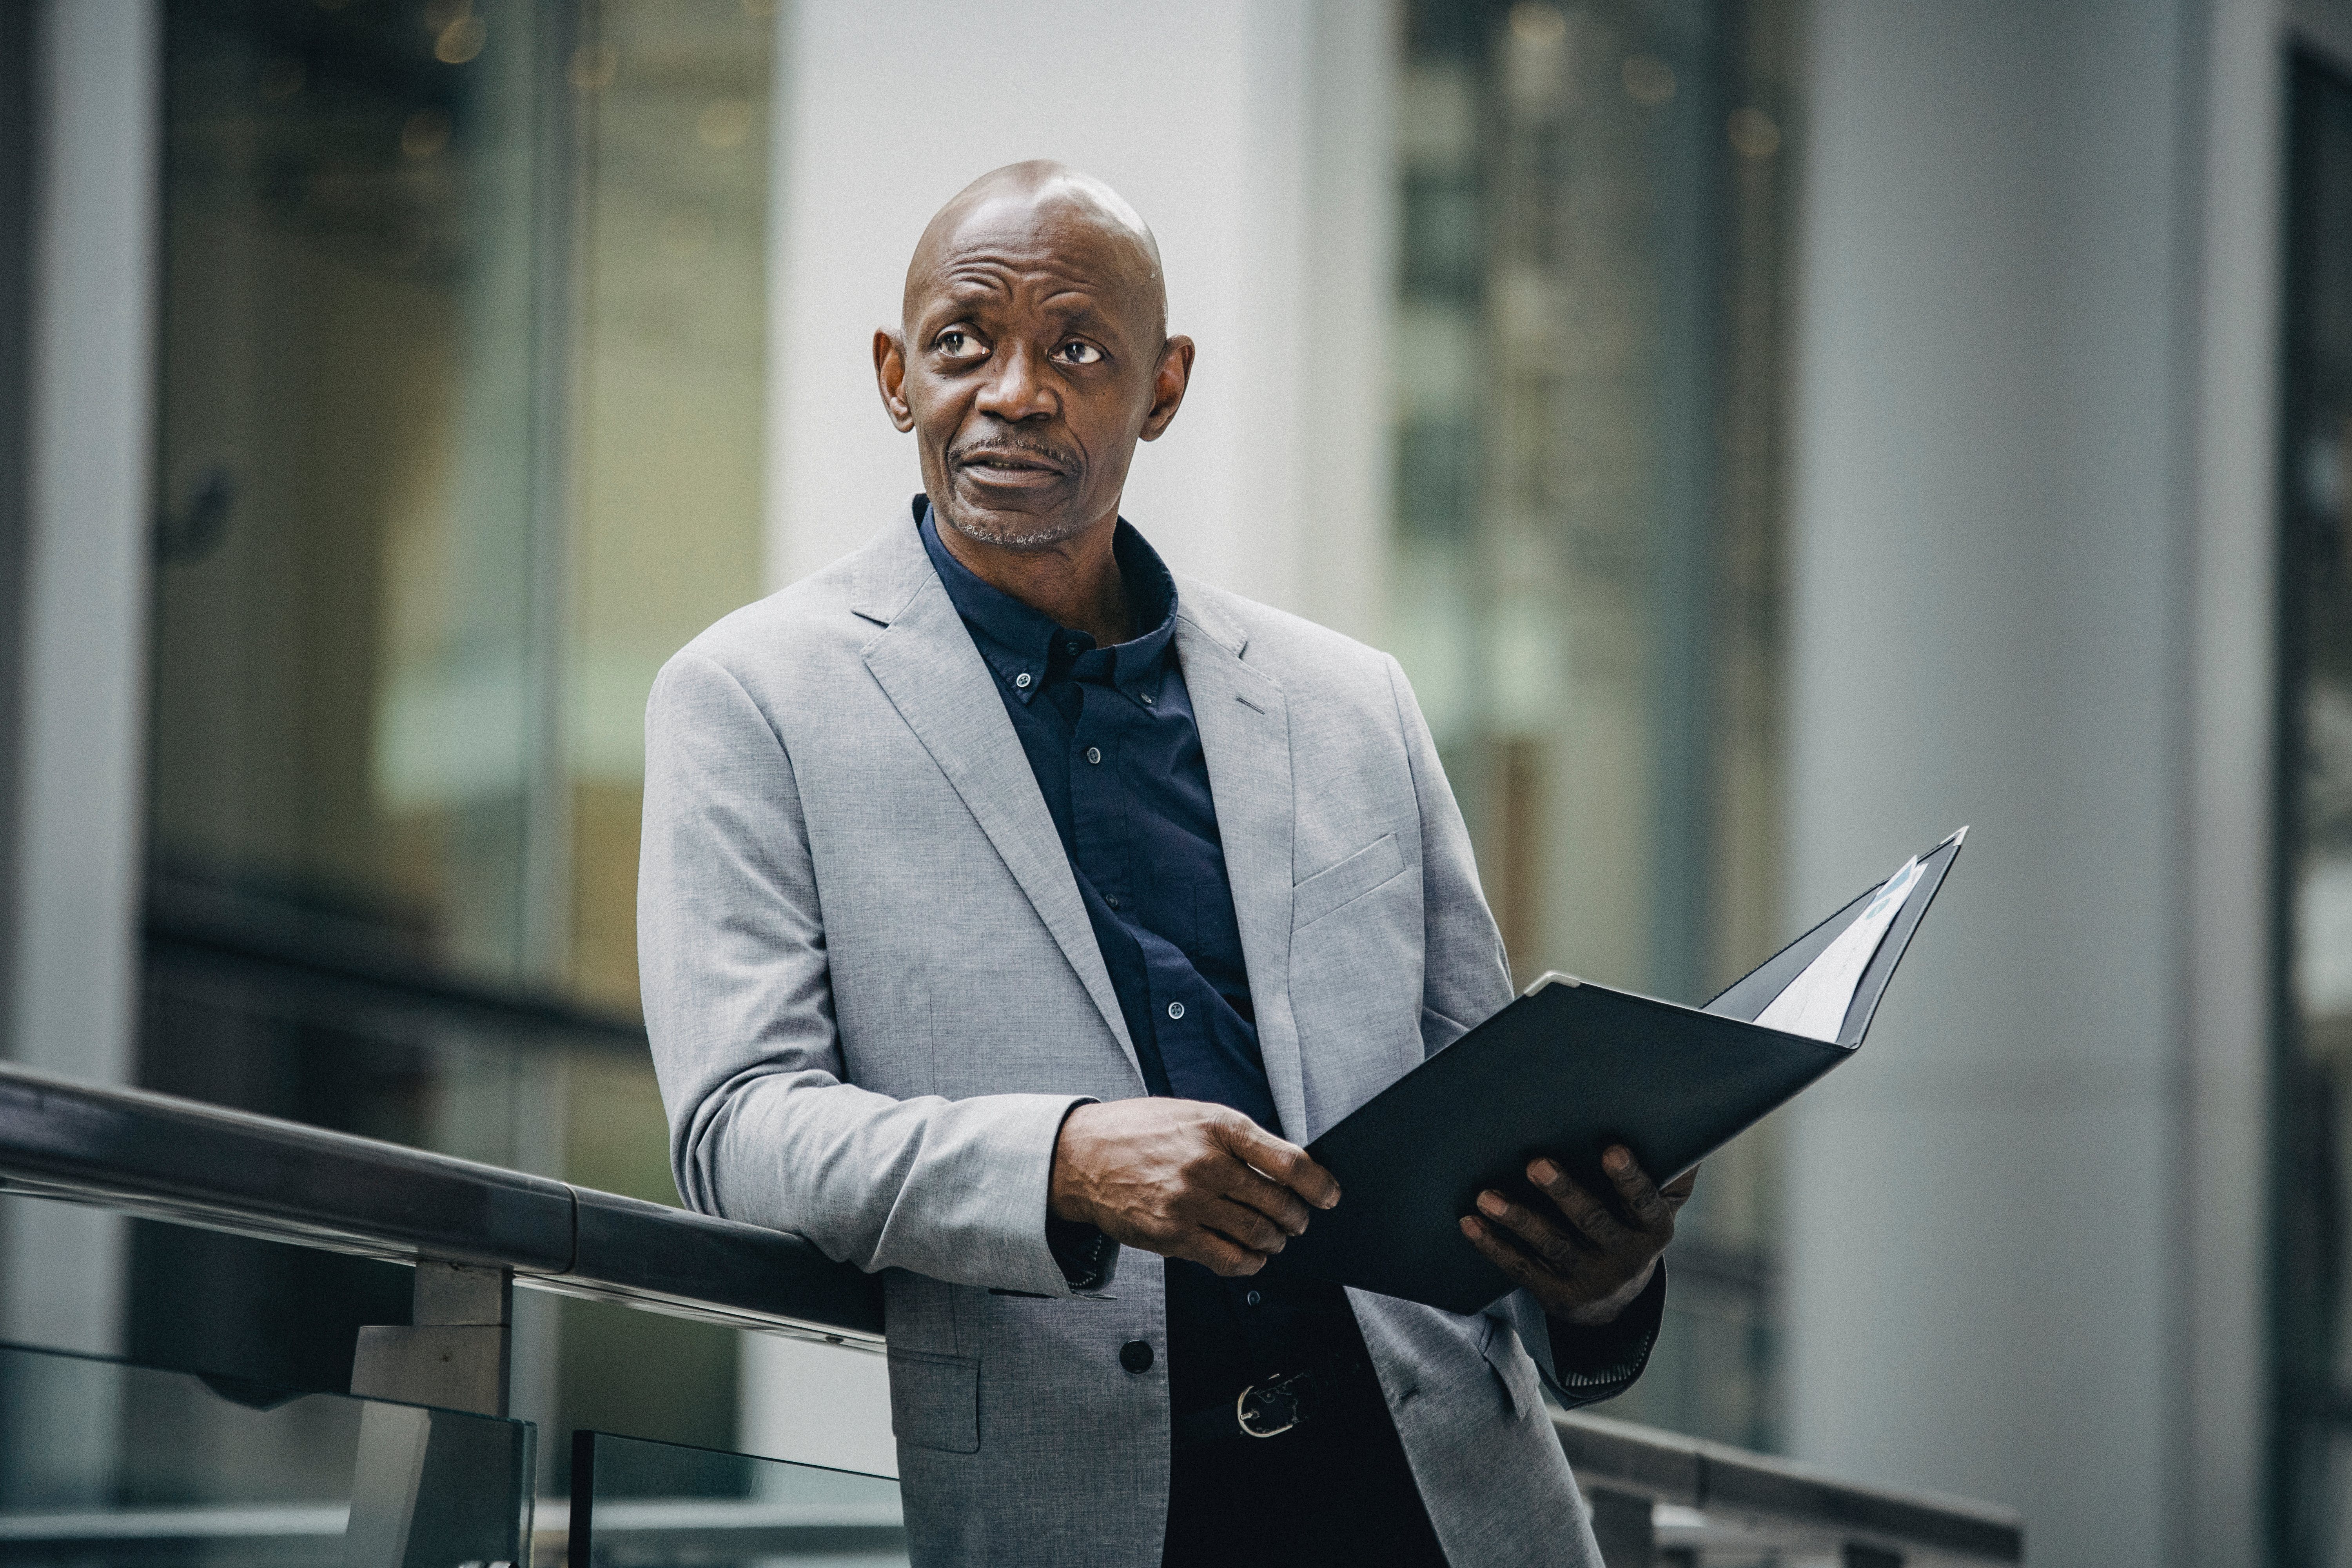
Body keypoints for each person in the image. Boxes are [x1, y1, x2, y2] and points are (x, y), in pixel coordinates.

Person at [639, 160, 1694, 1568]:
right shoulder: (750, 697)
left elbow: (1473, 1116)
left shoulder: (1351, 702)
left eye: (1077, 348)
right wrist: (1063, 1160)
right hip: (1087, 1508)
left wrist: (1602, 1281)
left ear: (1164, 387)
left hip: (1447, 1506)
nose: (1014, 391)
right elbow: (739, 1127)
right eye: (964, 343)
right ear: (897, 376)